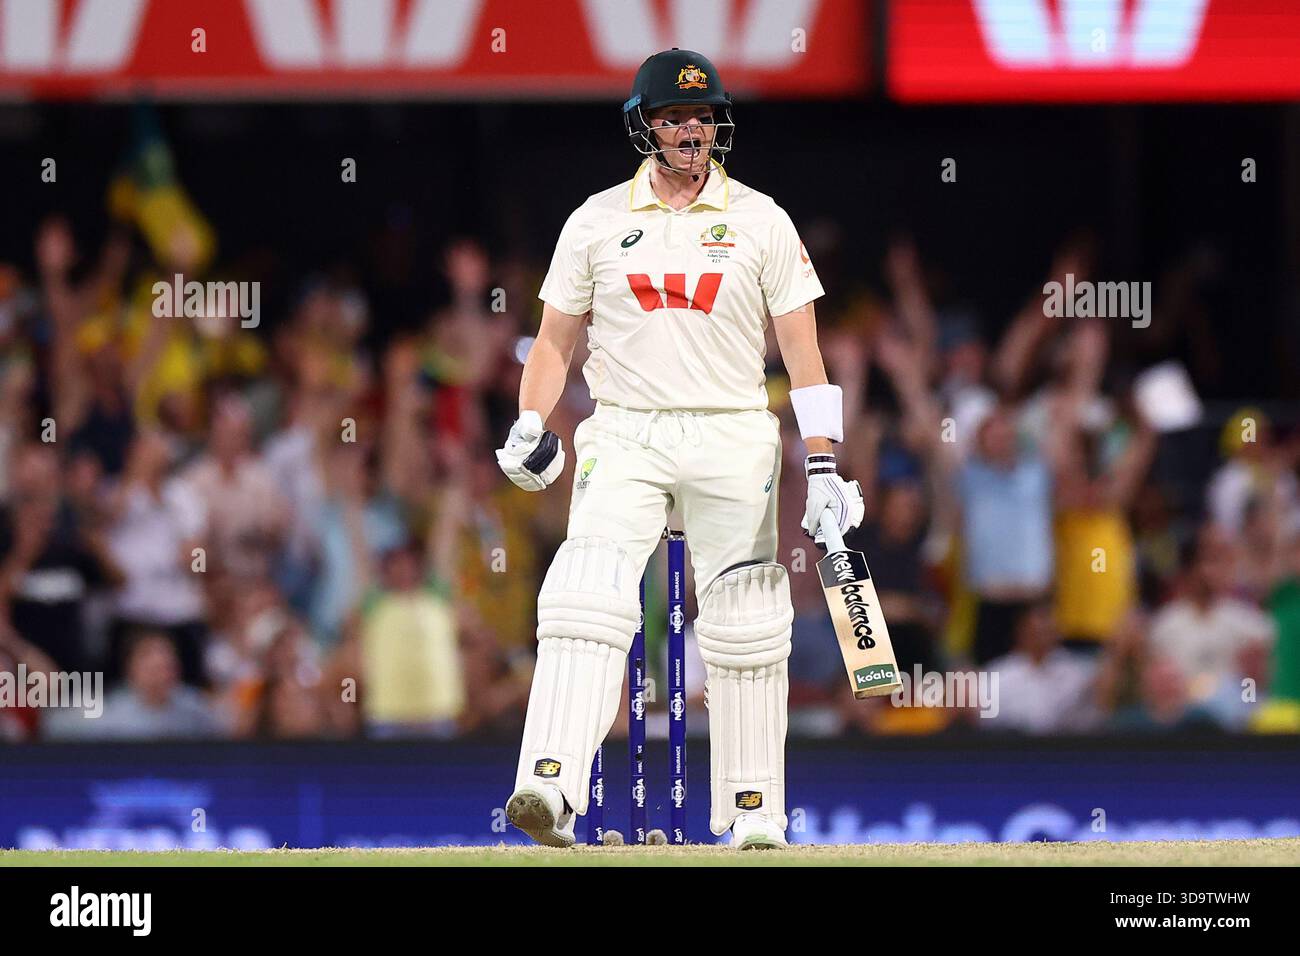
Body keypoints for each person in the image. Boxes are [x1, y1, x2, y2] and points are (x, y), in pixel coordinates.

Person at [495, 49, 863, 849]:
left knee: (749, 613)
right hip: (625, 428)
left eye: (701, 115)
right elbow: (556, 344)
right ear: (646, 127)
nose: (690, 129)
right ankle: (550, 785)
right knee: (584, 587)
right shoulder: (595, 220)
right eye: (673, 117)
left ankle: (754, 809)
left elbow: (803, 353)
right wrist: (531, 419)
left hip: (733, 428)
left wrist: (826, 461)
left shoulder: (762, 219)